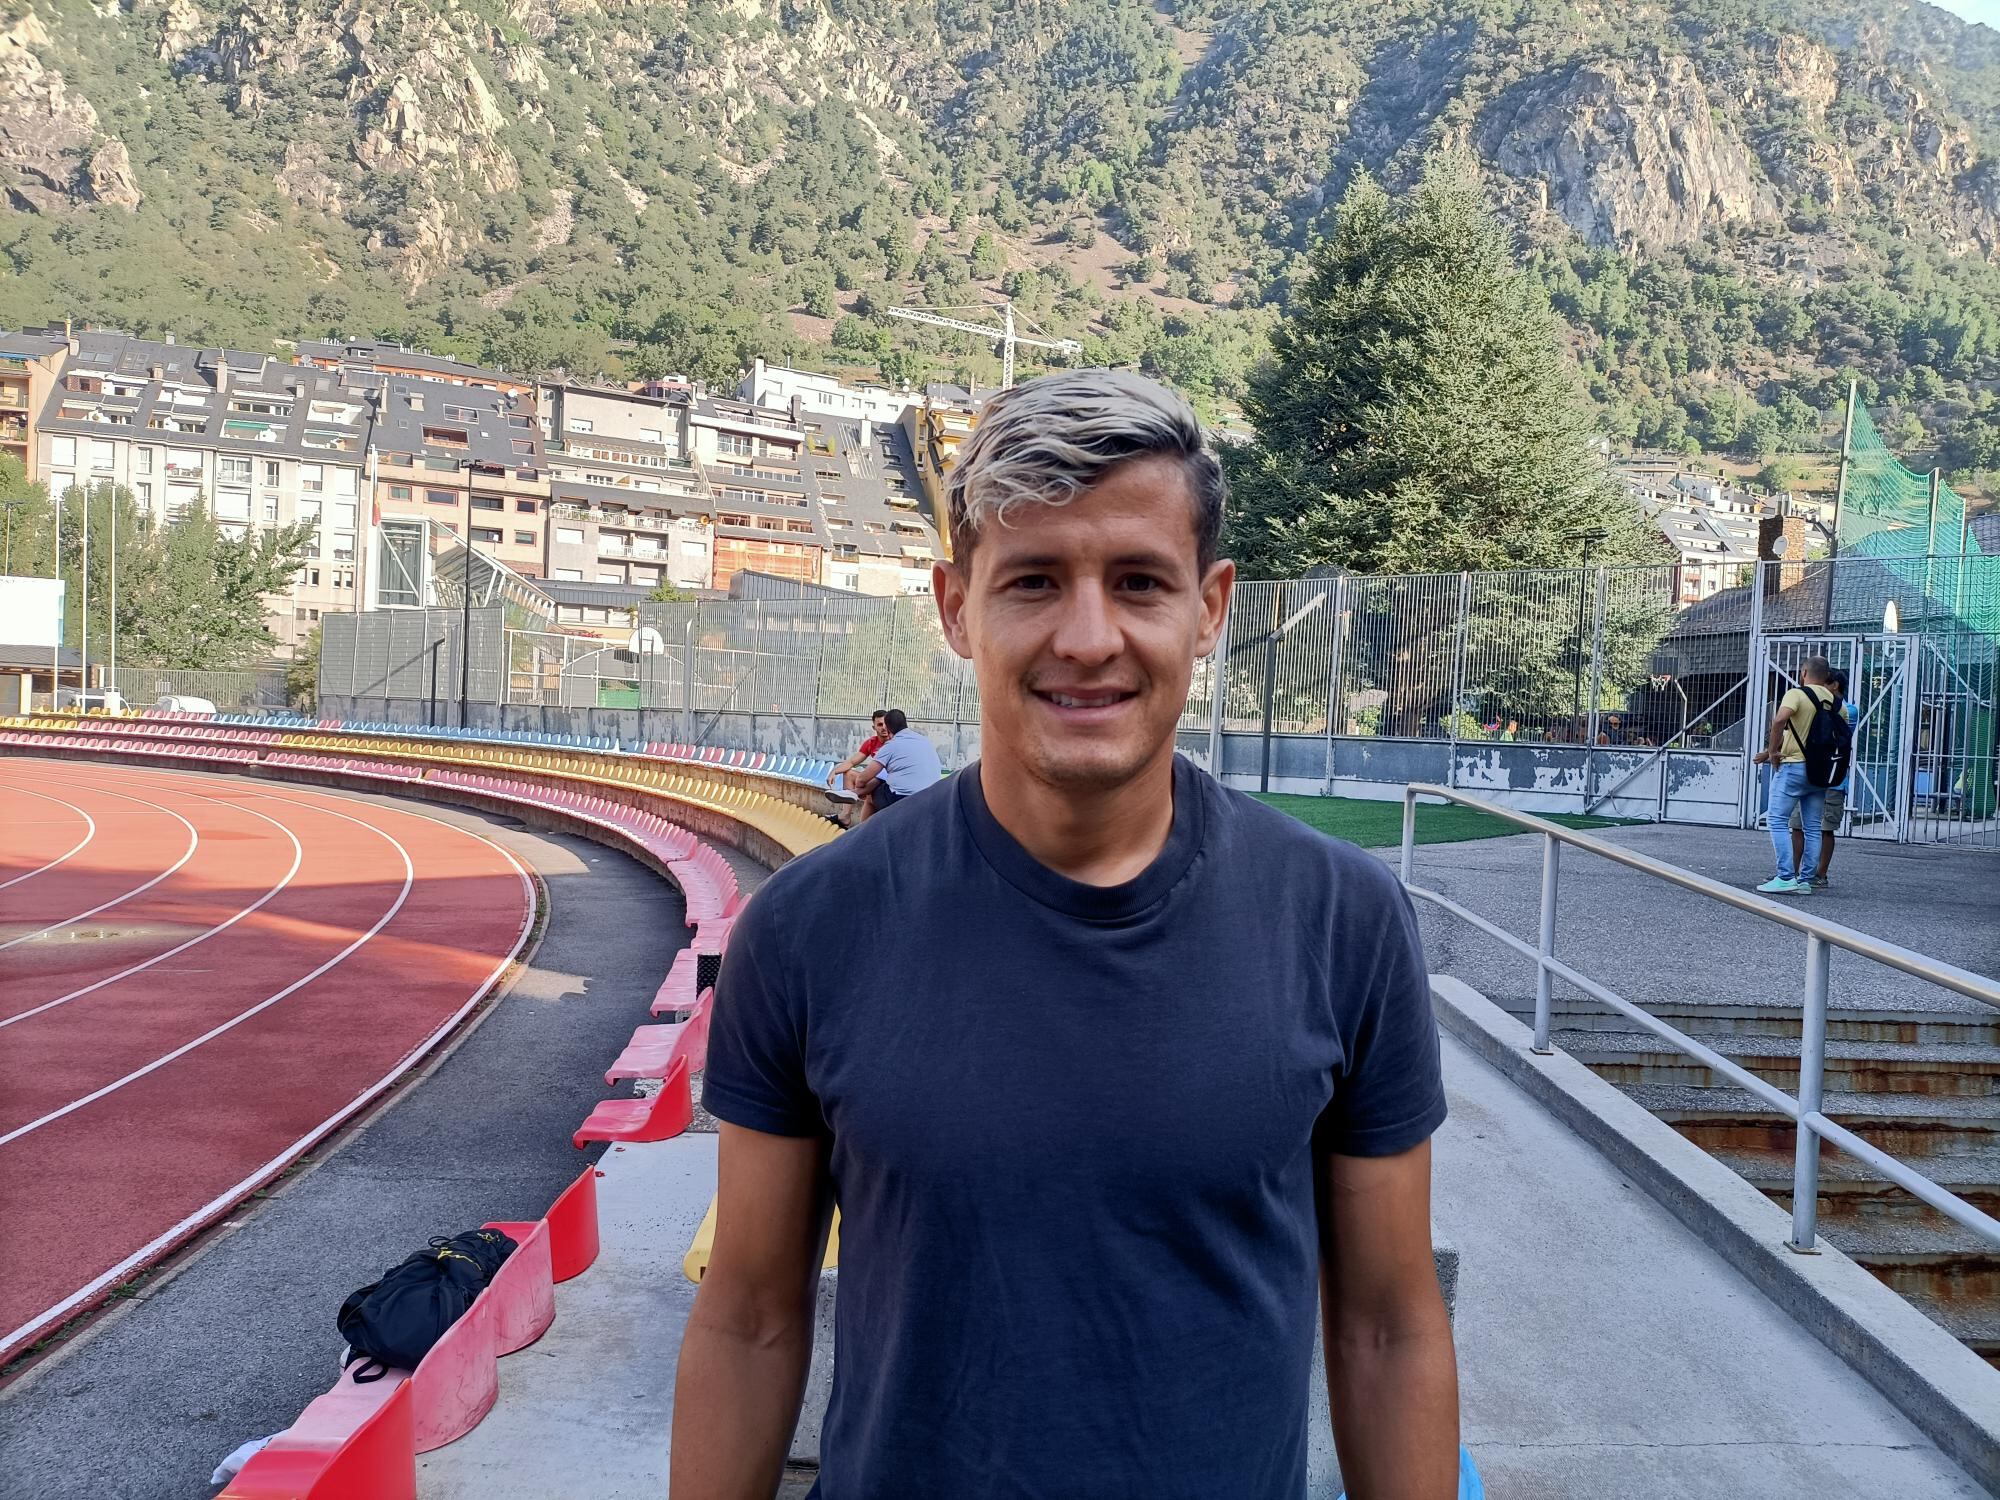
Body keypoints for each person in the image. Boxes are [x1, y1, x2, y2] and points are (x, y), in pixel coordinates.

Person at [674, 369, 1458, 1500]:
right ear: (955, 608)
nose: (1088, 638)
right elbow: (747, 1318)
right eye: (1034, 581)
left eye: (1138, 582)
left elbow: (1386, 1326)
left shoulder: (1341, 921)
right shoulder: (809, 930)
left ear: (1209, 607)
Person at [1752, 655, 1838, 894]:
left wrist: (1772, 751)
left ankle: (1786, 875)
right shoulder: (1834, 701)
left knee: (1776, 820)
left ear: (1804, 673)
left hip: (1793, 766)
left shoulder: (1796, 694)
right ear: (1827, 676)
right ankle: (1806, 881)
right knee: (1812, 826)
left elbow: (1780, 720)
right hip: (1820, 770)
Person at [1790, 667, 1853, 887]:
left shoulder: (1846, 709)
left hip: (1833, 777)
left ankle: (1820, 873)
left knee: (1825, 828)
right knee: (1797, 825)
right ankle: (1791, 872)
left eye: (1824, 683)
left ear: (1834, 685)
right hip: (1810, 773)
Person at [850, 707, 942, 816]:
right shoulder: (924, 741)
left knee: (871, 797)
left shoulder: (891, 745)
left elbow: (862, 778)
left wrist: (860, 788)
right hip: (932, 796)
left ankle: (864, 832)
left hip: (902, 798)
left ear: (888, 728)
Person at [826, 709, 891, 825]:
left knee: (877, 780)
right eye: (880, 724)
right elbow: (852, 761)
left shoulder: (895, 741)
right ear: (874, 727)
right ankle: (845, 816)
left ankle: (854, 793)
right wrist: (834, 772)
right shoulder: (871, 743)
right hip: (873, 779)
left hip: (888, 782)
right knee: (848, 773)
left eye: (886, 724)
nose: (884, 727)